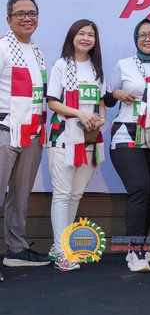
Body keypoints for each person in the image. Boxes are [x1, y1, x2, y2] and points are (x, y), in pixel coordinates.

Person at [106, 18, 150, 272]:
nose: (148, 39)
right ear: (136, 39)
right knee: (140, 188)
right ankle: (134, 252)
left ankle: (140, 247)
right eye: (142, 35)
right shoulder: (123, 65)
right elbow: (107, 97)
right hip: (127, 133)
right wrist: (116, 94)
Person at [46, 19, 106, 271]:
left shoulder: (96, 68)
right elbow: (52, 102)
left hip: (89, 140)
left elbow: (100, 103)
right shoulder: (61, 65)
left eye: (90, 35)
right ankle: (62, 252)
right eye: (81, 33)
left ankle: (62, 246)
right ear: (72, 36)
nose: (85, 38)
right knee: (61, 195)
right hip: (63, 137)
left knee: (75, 195)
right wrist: (80, 113)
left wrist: (100, 119)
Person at [0, 0, 51, 280]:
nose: (27, 18)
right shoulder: (2, 47)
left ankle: (16, 251)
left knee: (19, 198)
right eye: (20, 14)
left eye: (32, 13)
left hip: (31, 135)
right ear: (9, 19)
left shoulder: (37, 51)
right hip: (4, 132)